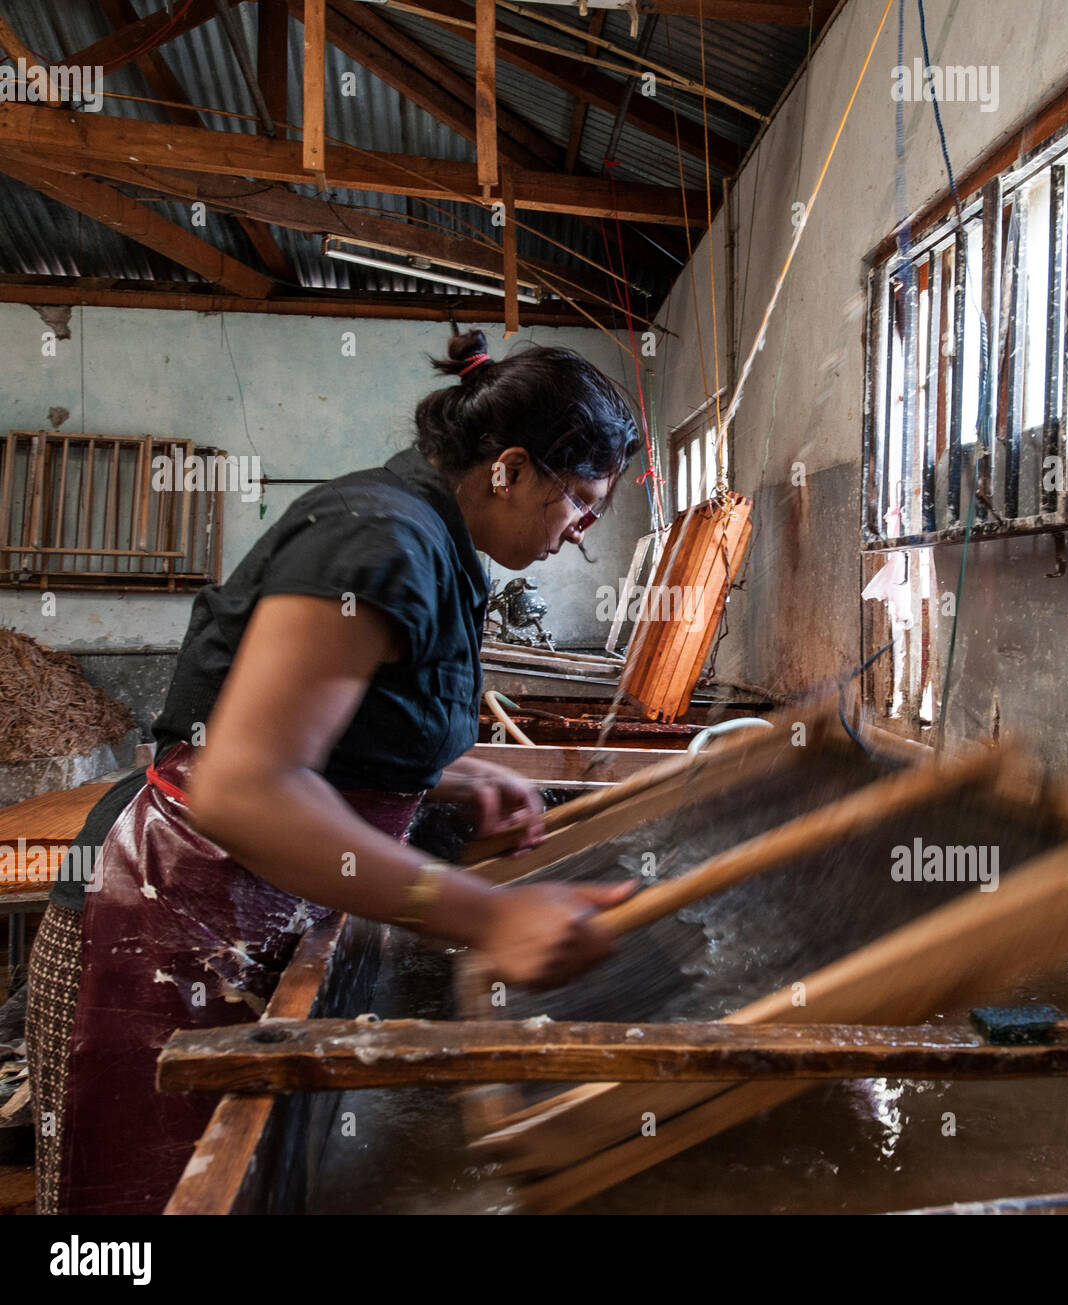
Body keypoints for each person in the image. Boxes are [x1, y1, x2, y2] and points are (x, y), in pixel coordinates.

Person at [26, 330, 640, 1214]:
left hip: (249, 913)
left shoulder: (429, 539)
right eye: (579, 503)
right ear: (509, 468)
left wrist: (455, 775)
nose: (578, 534)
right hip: (169, 925)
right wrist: (486, 912)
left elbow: (343, 722)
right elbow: (247, 785)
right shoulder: (381, 539)